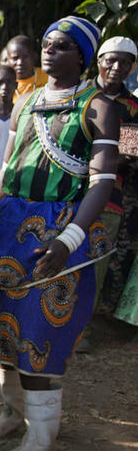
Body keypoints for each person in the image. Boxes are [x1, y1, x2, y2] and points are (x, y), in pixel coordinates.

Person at [0, 17, 119, 451]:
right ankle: (13, 412)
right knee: (1, 328)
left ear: (82, 56)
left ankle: (41, 440)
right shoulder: (27, 101)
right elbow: (6, 168)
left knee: (39, 335)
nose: (48, 52)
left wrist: (68, 239)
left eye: (60, 46)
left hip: (58, 234)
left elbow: (102, 181)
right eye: (46, 44)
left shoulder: (98, 106)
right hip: (9, 229)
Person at [81, 37, 138, 342]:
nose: (117, 67)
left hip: (111, 196)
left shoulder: (133, 107)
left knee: (96, 264)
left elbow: (131, 153)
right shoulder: (80, 94)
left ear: (132, 68)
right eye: (111, 60)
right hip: (69, 190)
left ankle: (81, 329)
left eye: (125, 62)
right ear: (99, 61)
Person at [5, 35, 49, 103]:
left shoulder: (48, 77)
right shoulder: (0, 83)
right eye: (15, 58)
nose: (20, 62)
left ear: (34, 56)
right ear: (7, 60)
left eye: (25, 57)